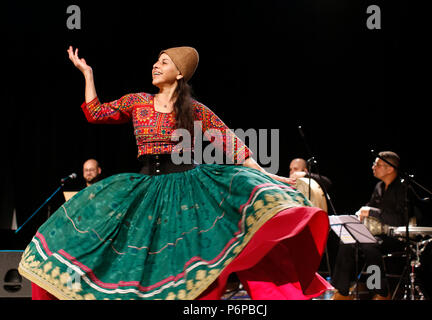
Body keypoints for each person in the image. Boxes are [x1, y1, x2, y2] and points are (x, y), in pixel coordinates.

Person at [18, 46, 331, 300]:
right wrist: (87, 74)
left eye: (164, 62)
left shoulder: (194, 110)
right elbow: (95, 112)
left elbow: (232, 145)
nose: (156, 65)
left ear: (179, 73)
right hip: (145, 187)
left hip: (187, 188)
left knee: (193, 257)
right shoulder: (138, 102)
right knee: (133, 254)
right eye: (156, 60)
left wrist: (267, 174)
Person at [331, 151, 407, 300]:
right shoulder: (379, 187)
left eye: (377, 164)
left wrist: (372, 212)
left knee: (369, 246)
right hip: (376, 235)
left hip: (396, 236)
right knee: (347, 242)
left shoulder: (402, 188)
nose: (373, 167)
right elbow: (369, 208)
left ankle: (381, 291)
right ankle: (343, 291)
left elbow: (399, 219)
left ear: (390, 169)